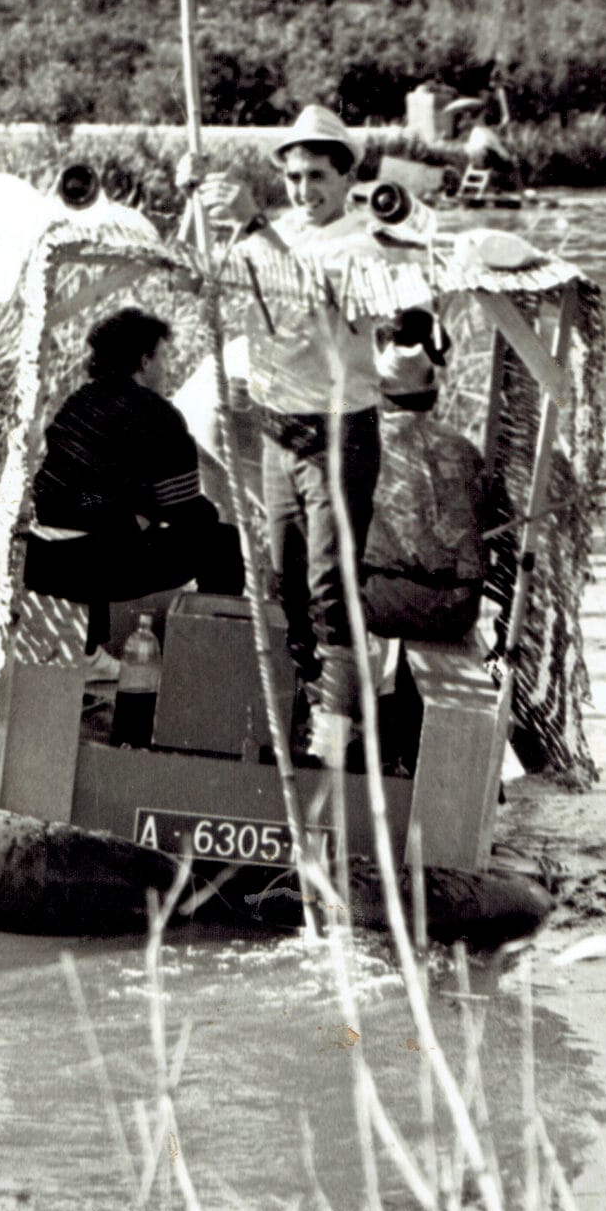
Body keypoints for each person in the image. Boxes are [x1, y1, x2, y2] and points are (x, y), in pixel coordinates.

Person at [189, 105, 387, 760]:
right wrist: (201, 203)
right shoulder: (280, 233)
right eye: (295, 177)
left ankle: (339, 737)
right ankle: (311, 705)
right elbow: (214, 278)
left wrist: (251, 226)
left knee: (333, 583)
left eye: (317, 176)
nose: (304, 191)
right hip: (278, 432)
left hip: (337, 434)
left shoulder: (363, 245)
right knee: (287, 581)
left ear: (348, 176)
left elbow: (311, 296)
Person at [24, 307, 244, 651]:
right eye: (163, 359)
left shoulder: (79, 403)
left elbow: (71, 496)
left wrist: (126, 505)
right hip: (88, 562)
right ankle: (214, 653)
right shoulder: (155, 414)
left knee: (106, 519)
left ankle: (92, 649)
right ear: (144, 362)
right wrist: (138, 506)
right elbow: (186, 511)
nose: (166, 370)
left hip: (42, 554)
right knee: (220, 542)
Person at [363, 312, 504, 643]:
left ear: (382, 393)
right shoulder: (465, 449)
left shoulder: (365, 444)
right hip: (460, 610)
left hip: (394, 604)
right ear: (432, 394)